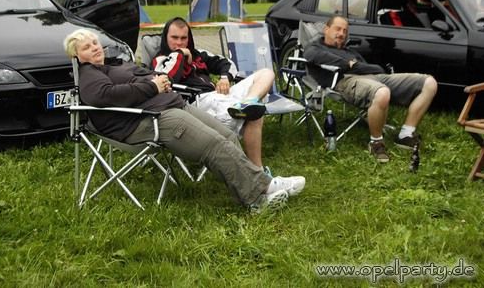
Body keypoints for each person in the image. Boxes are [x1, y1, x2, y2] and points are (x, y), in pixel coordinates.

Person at [63, 28, 306, 211]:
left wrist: (158, 80)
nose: (94, 48)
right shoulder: (89, 74)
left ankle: (258, 185)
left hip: (172, 105)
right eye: (86, 47)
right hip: (149, 121)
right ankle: (259, 196)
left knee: (227, 135)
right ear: (77, 55)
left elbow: (151, 76)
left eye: (95, 43)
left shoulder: (113, 66)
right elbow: (105, 96)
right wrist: (151, 86)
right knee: (214, 145)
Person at [304, 16, 437, 163]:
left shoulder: (350, 51)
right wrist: (348, 64)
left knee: (429, 83)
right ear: (326, 29)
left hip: (374, 77)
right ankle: (376, 143)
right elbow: (312, 56)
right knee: (382, 92)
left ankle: (406, 135)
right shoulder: (315, 48)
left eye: (345, 31)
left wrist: (355, 65)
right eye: (338, 29)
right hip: (345, 81)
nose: (342, 34)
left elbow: (373, 68)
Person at [151, 17, 275, 172]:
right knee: (255, 114)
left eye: (183, 38)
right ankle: (257, 170)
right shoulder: (160, 59)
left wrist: (225, 78)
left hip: (219, 95)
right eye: (174, 38)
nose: (179, 43)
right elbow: (167, 78)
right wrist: (180, 54)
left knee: (266, 73)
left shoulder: (198, 54)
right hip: (198, 103)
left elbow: (226, 63)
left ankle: (248, 102)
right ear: (165, 38)